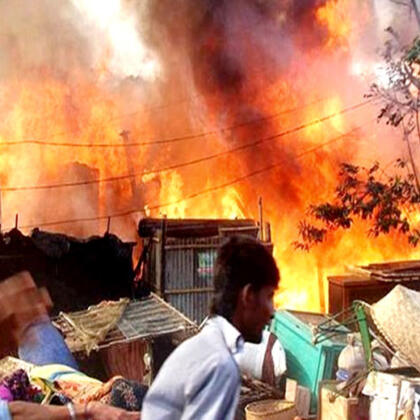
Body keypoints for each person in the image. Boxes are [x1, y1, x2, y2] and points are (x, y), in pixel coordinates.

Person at [141, 235, 280, 420]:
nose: (272, 311)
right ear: (248, 296)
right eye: (269, 297)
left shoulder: (204, 344)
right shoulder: (220, 365)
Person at [0, 272, 139, 420]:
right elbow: (13, 414)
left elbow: (10, 412)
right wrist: (89, 410)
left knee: (34, 326)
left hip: (49, 387)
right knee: (34, 327)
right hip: (60, 393)